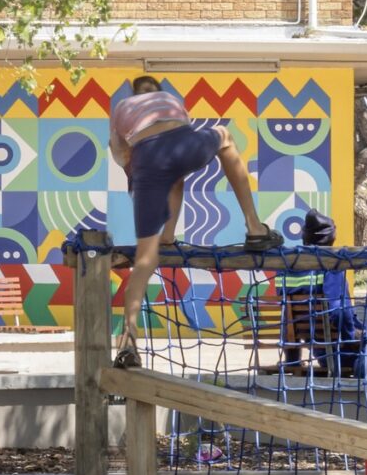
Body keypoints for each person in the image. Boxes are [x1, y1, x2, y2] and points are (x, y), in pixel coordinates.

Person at [109, 74, 275, 367]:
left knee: (144, 262)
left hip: (146, 157)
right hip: (182, 144)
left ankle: (129, 343)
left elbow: (122, 155)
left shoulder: (123, 106)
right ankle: (254, 227)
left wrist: (136, 179)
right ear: (157, 91)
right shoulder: (170, 100)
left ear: (134, 93)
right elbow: (179, 149)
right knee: (224, 136)